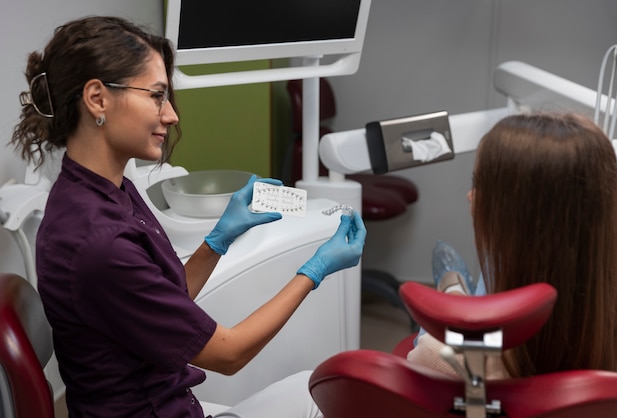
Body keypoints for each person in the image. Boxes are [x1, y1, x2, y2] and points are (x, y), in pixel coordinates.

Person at [10, 16, 366, 418]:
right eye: (157, 96)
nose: (171, 115)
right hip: (152, 411)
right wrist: (315, 270)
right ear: (97, 99)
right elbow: (229, 354)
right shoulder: (97, 240)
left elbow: (164, 295)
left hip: (167, 401)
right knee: (322, 396)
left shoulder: (104, 189)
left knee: (311, 388)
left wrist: (218, 240)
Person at [408, 112, 617, 379]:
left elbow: (420, 357)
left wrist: (451, 309)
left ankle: (453, 287)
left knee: (454, 276)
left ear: (515, 220)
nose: (469, 196)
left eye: (478, 185)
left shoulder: (442, 354)